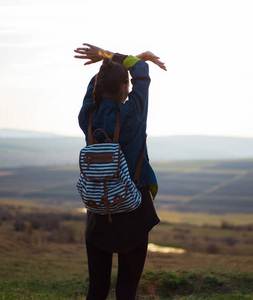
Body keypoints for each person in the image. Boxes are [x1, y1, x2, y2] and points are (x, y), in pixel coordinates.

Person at [74, 43, 166, 300]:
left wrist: (107, 60)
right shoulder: (133, 114)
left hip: (98, 208)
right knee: (126, 291)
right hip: (133, 209)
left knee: (97, 289)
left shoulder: (87, 116)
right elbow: (141, 69)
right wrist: (112, 55)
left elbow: (100, 83)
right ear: (126, 88)